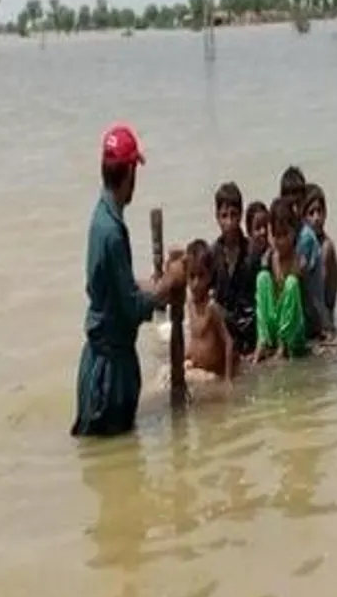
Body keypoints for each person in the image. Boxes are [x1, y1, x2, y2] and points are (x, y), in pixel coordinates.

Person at [73, 124, 185, 438]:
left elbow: (110, 289)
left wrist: (150, 285)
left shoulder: (102, 218)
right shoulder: (111, 232)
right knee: (112, 453)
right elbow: (131, 307)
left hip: (100, 359)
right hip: (111, 370)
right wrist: (167, 286)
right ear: (130, 173)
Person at [279, 166, 330, 339]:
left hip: (310, 320)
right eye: (289, 204)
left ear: (303, 203)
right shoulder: (286, 234)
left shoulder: (306, 238)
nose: (294, 210)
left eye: (297, 204)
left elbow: (293, 275)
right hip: (296, 314)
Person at [254, 196, 307, 362]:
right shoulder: (270, 258)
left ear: (294, 232)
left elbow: (294, 303)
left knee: (291, 283)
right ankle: (262, 342)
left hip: (294, 330)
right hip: (275, 325)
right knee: (262, 278)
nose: (281, 241)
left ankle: (284, 346)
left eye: (285, 235)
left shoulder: (299, 260)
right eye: (276, 235)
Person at [209, 182, 258, 355]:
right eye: (224, 216)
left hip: (249, 331)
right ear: (217, 217)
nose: (229, 222)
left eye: (233, 215)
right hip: (224, 331)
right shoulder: (213, 253)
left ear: (241, 215)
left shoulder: (252, 252)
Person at [184, 239, 236, 381]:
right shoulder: (189, 303)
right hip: (195, 366)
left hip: (212, 374)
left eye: (201, 276)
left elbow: (228, 343)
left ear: (209, 276)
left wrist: (228, 380)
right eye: (191, 276)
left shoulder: (211, 307)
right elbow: (195, 336)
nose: (196, 283)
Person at [303, 183, 337, 321]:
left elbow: (319, 288)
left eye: (320, 211)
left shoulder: (326, 247)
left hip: (323, 318)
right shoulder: (303, 244)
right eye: (311, 213)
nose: (316, 218)